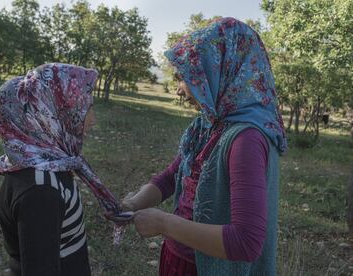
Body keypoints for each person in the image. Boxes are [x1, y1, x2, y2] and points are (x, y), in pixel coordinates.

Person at [123, 18, 287, 275]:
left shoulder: (246, 139)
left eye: (186, 77)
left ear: (219, 71)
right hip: (179, 259)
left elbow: (245, 242)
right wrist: (132, 205)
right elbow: (171, 177)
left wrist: (164, 223)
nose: (179, 90)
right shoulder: (208, 125)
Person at [0, 63, 121, 276]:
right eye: (85, 108)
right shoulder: (41, 190)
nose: (93, 120)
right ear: (46, 117)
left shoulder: (46, 165)